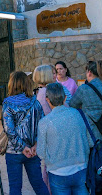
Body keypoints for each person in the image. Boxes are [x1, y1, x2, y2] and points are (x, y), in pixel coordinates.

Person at [69, 60, 102, 195]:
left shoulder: (84, 89)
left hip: (93, 139)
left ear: (89, 72)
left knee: (97, 174)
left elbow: (72, 105)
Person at [38, 82, 92, 195]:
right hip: (80, 168)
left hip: (57, 172)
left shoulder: (44, 122)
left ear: (47, 100)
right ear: (65, 98)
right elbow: (89, 141)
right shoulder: (78, 114)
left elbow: (41, 152)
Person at [2, 71, 49, 195]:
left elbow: (9, 130)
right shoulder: (35, 102)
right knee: (39, 185)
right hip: (33, 150)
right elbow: (43, 125)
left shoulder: (8, 104)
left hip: (14, 152)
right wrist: (36, 145)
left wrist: (22, 148)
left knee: (15, 188)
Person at [32, 64, 71, 194]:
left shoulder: (39, 92)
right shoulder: (47, 93)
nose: (55, 75)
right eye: (52, 73)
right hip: (55, 135)